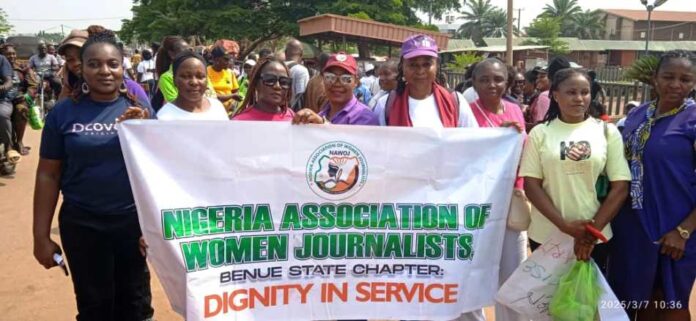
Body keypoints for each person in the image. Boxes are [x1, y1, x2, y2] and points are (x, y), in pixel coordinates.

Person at [33, 27, 155, 321]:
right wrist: (40, 235)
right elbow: (48, 175)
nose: (104, 71)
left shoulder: (138, 108)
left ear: (122, 66)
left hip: (132, 225)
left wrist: (144, 128)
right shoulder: (63, 114)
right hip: (82, 224)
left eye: (112, 64)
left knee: (136, 306)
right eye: (94, 64)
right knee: (94, 307)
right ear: (80, 68)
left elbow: (159, 170)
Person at [373, 33, 480, 321]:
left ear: (437, 66)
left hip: (446, 205)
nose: (420, 70)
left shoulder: (456, 102)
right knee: (407, 275)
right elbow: (372, 147)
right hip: (402, 205)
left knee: (448, 272)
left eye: (426, 63)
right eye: (413, 64)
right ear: (403, 68)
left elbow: (476, 147)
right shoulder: (385, 103)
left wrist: (504, 134)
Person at [609, 50, 696, 321]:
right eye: (668, 77)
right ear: (654, 79)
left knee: (670, 301)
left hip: (675, 225)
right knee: (636, 299)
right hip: (632, 226)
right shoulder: (637, 115)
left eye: (685, 79)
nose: (676, 85)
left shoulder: (693, 119)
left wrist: (684, 230)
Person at [519, 68, 630, 273]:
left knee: (588, 302)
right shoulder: (541, 133)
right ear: (555, 95)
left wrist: (591, 233)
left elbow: (621, 187)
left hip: (595, 239)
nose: (579, 98)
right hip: (547, 237)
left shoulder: (606, 132)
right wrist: (565, 227)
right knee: (548, 302)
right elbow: (531, 185)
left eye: (585, 92)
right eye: (571, 92)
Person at [469, 58, 527, 321]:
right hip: (478, 205)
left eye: (498, 79)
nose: (491, 85)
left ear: (507, 81)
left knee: (513, 275)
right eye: (484, 79)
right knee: (473, 270)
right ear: (474, 82)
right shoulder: (466, 113)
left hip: (512, 202)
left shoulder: (515, 110)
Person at [57, 27, 148, 103]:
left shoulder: (131, 89)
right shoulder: (68, 90)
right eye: (70, 59)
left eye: (80, 57)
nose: (76, 63)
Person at [232, 56, 323, 125]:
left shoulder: (295, 120)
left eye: (284, 82)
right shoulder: (239, 123)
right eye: (270, 80)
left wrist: (320, 124)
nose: (277, 86)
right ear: (256, 84)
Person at [307, 52, 377, 125]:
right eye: (330, 77)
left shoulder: (365, 117)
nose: (337, 84)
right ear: (323, 80)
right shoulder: (322, 114)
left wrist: (323, 124)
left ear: (356, 82)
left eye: (346, 79)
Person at [158, 51, 228, 121]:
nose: (194, 82)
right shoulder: (164, 117)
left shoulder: (217, 107)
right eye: (185, 76)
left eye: (200, 77)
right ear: (174, 80)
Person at [1, 43, 37, 159]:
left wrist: (27, 96)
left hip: (20, 97)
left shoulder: (23, 66)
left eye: (13, 53)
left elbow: (33, 85)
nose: (11, 56)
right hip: (3, 98)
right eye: (8, 54)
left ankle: (19, 141)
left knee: (21, 109)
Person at [0, 46, 19, 174]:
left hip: (2, 99)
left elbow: (8, 81)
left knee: (1, 114)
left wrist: (3, 87)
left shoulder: (1, 60)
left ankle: (8, 148)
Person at [207, 46, 240, 112]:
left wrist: (233, 103)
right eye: (226, 59)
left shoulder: (230, 73)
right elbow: (213, 96)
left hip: (230, 112)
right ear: (216, 59)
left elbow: (236, 90)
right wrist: (232, 96)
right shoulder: (206, 72)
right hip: (213, 111)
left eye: (229, 59)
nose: (228, 62)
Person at [284, 39, 309, 110]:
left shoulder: (277, 68)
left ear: (285, 53)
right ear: (301, 54)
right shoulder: (301, 71)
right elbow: (300, 97)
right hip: (292, 115)